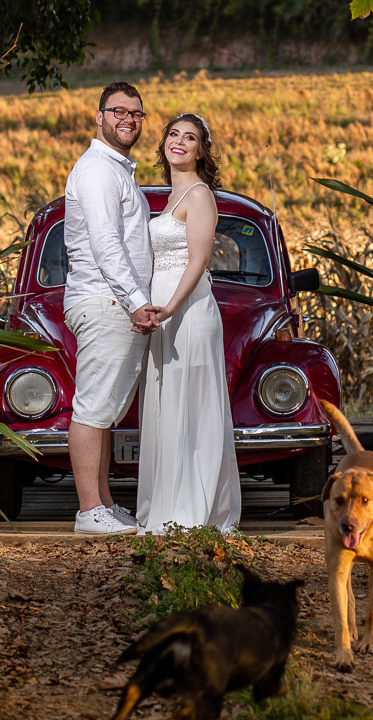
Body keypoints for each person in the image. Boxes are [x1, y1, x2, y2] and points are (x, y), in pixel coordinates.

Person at [134, 112, 241, 536]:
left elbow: (198, 261)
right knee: (166, 405)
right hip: (163, 316)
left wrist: (170, 308)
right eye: (173, 135)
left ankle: (194, 506)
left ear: (201, 149)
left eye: (189, 137)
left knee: (191, 407)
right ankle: (167, 500)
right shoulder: (171, 196)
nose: (179, 142)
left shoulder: (199, 196)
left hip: (188, 314)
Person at [64, 81, 157, 535]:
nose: (128, 119)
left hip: (112, 301)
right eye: (118, 111)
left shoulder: (118, 169)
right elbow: (106, 246)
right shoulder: (99, 171)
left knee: (105, 410)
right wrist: (137, 302)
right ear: (99, 116)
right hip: (105, 301)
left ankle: (102, 502)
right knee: (93, 407)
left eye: (136, 113)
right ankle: (88, 511)